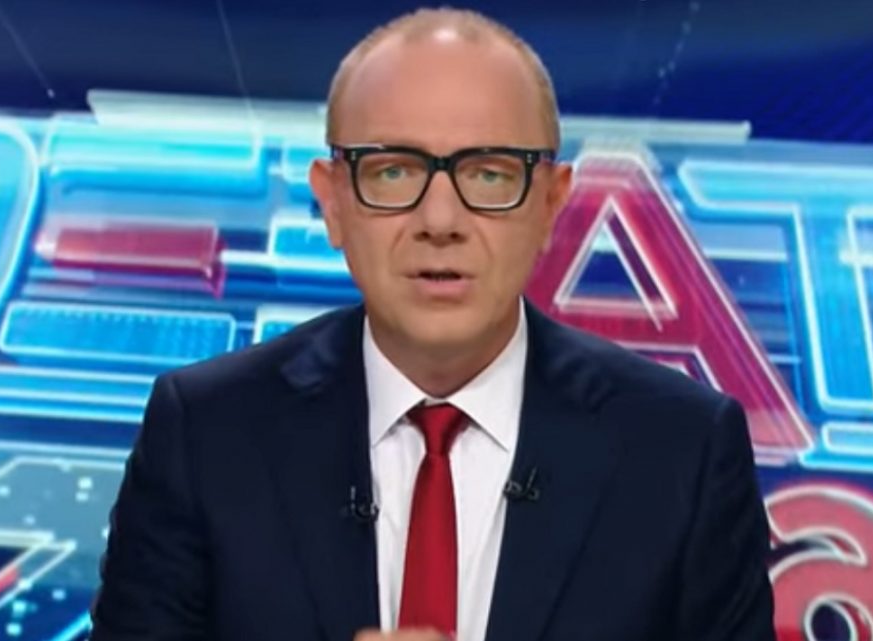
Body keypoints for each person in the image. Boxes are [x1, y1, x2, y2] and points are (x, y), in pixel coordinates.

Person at [89, 7, 775, 641]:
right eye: (392, 172)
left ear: (551, 204)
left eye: (489, 175)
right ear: (332, 202)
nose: (440, 221)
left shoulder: (681, 450)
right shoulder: (207, 432)